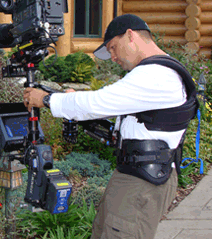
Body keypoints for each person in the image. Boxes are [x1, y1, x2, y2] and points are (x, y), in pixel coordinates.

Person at [23, 14, 198, 238]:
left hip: (141, 181)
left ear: (130, 35)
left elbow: (98, 103)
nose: (113, 57)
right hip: (138, 174)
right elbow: (113, 107)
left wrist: (46, 100)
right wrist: (75, 102)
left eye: (113, 48)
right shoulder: (159, 70)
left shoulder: (156, 74)